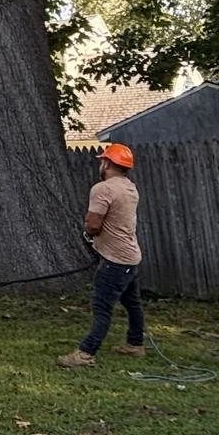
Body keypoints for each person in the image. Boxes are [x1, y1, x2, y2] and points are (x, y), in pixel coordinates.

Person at [58, 142, 144, 368]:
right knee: (132, 303)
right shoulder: (130, 188)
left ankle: (86, 353)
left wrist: (87, 228)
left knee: (101, 306)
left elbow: (94, 225)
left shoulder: (102, 189)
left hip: (115, 260)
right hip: (131, 256)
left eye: (103, 161)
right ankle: (135, 344)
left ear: (107, 163)